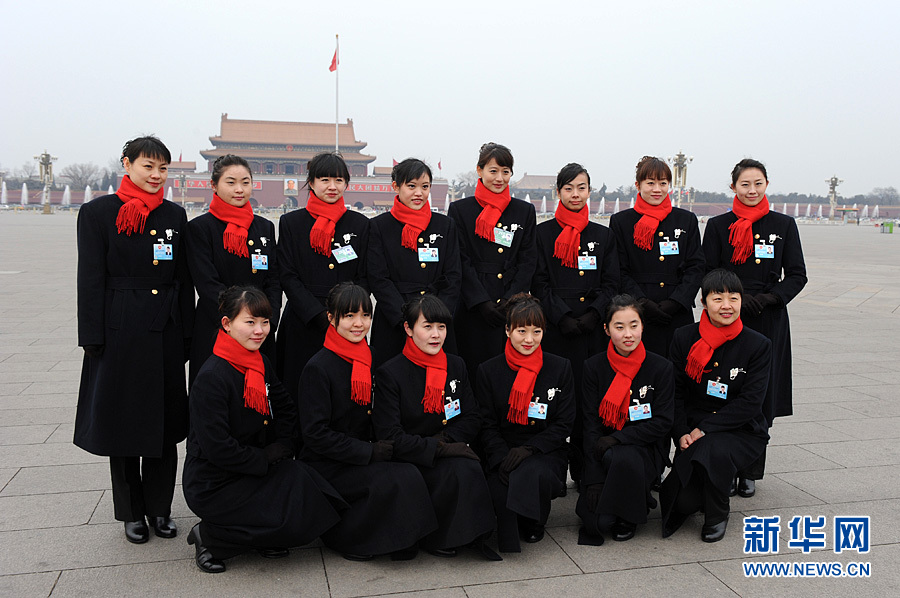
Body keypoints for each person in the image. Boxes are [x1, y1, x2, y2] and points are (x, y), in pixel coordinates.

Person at [75, 135, 193, 545]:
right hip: (119, 330)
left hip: (164, 328)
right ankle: (130, 511)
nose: (156, 175)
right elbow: (89, 279)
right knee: (123, 424)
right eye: (148, 166)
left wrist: (187, 334)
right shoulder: (97, 213)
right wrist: (92, 336)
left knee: (163, 426)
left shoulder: (175, 216)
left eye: (163, 169)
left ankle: (160, 509)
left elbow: (183, 280)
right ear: (126, 164)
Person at [182, 286, 345, 573]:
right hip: (215, 481)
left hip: (256, 465)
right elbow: (217, 447)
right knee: (287, 509)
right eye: (250, 322)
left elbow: (285, 408)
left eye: (265, 322)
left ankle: (268, 533)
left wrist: (285, 445)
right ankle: (209, 537)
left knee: (304, 485)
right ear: (226, 324)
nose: (259, 331)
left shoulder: (260, 362)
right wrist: (266, 457)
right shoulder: (211, 377)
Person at [298, 282, 438, 561]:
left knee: (409, 471)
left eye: (365, 315)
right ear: (331, 317)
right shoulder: (318, 367)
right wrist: (367, 452)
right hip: (329, 462)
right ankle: (350, 539)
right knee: (393, 480)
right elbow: (315, 434)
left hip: (366, 450)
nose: (358, 324)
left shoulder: (369, 356)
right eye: (349, 316)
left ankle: (406, 540)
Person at [702, 159, 807, 498]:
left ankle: (750, 470)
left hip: (768, 317)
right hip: (725, 317)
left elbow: (797, 274)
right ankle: (724, 464)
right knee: (724, 388)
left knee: (759, 394)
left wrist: (769, 299)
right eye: (744, 184)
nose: (751, 190)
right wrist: (728, 300)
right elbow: (708, 271)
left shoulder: (784, 225)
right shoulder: (718, 226)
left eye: (757, 183)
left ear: (766, 185)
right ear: (733, 187)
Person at [372, 295, 500, 560]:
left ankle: (454, 536)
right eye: (427, 326)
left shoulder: (456, 364)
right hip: (409, 455)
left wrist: (446, 439)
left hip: (442, 445)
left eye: (441, 327)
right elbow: (390, 435)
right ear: (408, 329)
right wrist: (437, 447)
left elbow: (472, 416)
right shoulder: (390, 373)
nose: (436, 335)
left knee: (466, 467)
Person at [659, 270, 770, 543]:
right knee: (682, 502)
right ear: (703, 301)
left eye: (733, 298)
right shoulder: (684, 337)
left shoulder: (758, 344)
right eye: (717, 298)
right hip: (694, 426)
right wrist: (682, 430)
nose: (726, 306)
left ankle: (718, 513)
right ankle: (704, 492)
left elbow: (751, 403)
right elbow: (676, 392)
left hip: (741, 429)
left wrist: (703, 429)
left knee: (713, 449)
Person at [532, 162, 619, 488]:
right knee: (554, 401)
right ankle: (552, 472)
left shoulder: (603, 235)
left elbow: (612, 283)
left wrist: (594, 315)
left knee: (590, 404)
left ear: (589, 191)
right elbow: (539, 283)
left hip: (593, 333)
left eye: (581, 188)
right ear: (558, 192)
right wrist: (562, 317)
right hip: (557, 332)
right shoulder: (543, 233)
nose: (575, 194)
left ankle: (586, 471)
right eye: (568, 188)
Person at [476, 294, 574, 553]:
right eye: (521, 331)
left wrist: (529, 450)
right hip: (503, 450)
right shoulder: (488, 370)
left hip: (544, 451)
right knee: (499, 490)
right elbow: (486, 423)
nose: (529, 339)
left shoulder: (560, 367)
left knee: (533, 473)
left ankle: (534, 519)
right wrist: (500, 456)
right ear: (507, 330)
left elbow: (564, 424)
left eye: (537, 331)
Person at [576, 295, 674, 545]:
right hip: (602, 451)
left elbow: (663, 422)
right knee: (596, 524)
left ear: (643, 326)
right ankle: (629, 496)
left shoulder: (660, 367)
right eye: (619, 327)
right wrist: (593, 479)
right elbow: (589, 423)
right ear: (607, 330)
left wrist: (618, 438)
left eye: (634, 325)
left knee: (623, 455)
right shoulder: (593, 367)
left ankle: (631, 513)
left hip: (645, 448)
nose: (628, 334)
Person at [276, 152, 369, 404]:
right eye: (324, 179)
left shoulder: (359, 225)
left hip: (347, 322)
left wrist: (346, 313)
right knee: (298, 390)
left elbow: (364, 275)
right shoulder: (291, 223)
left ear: (346, 184)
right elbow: (287, 274)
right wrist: (316, 314)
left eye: (338, 180)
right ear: (311, 182)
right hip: (303, 321)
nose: (332, 186)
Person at [187, 154, 280, 387]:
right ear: (214, 185)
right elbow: (206, 283)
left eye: (245, 182)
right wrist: (238, 320)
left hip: (259, 329)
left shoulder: (264, 227)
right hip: (219, 326)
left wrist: (267, 318)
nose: (239, 189)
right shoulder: (200, 229)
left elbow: (273, 279)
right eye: (231, 182)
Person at [448, 143, 537, 382]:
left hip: (509, 306)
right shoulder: (460, 210)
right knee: (472, 369)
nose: (500, 178)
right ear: (479, 170)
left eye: (505, 171)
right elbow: (460, 260)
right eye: (493, 171)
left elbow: (528, 260)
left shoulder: (524, 211)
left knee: (506, 373)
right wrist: (481, 302)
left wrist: (510, 300)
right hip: (473, 306)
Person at [367, 159, 461, 366]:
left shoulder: (445, 226)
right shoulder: (379, 227)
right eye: (411, 186)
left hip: (436, 320)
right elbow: (378, 277)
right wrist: (406, 319)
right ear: (395, 186)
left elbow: (453, 275)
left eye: (425, 187)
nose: (419, 193)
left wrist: (438, 316)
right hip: (396, 321)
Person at [608, 156, 704, 358]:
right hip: (637, 314)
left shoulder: (686, 220)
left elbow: (696, 266)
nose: (657, 189)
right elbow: (619, 269)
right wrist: (642, 302)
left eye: (662, 183)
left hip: (677, 312)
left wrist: (677, 301)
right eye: (650, 183)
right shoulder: (622, 222)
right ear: (638, 185)